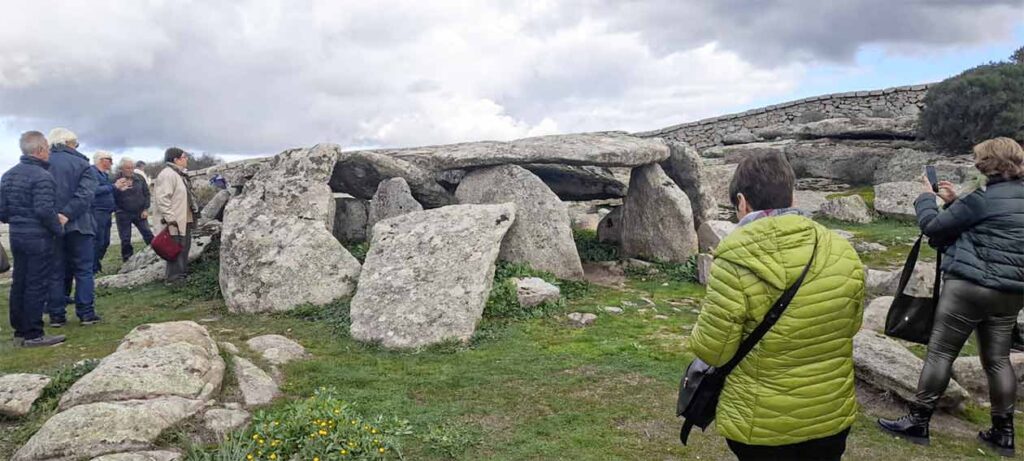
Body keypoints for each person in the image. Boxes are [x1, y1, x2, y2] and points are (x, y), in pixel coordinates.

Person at [688, 152, 865, 461]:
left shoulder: (734, 258)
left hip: (762, 426)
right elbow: (851, 325)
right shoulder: (840, 248)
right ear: (792, 194)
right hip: (830, 416)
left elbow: (713, 351)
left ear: (742, 202)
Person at [877, 137, 1024, 458]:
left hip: (968, 287)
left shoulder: (982, 198)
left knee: (941, 352)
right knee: (998, 360)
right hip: (1012, 293)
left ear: (986, 164)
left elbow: (933, 227)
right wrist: (958, 199)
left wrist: (925, 198)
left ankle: (918, 421)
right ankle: (1004, 433)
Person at [1, 131, 66, 347]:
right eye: (47, 148)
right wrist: (58, 229)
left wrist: (19, 219)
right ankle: (33, 334)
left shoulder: (8, 175)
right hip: (38, 236)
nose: (48, 152)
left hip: (17, 235)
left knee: (20, 282)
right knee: (36, 284)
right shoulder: (42, 176)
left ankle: (20, 331)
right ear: (39, 150)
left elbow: (2, 211)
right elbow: (44, 209)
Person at [46, 128, 101, 326]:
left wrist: (56, 216)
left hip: (51, 226)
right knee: (84, 271)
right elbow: (85, 195)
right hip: (80, 225)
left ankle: (56, 315)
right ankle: (86, 313)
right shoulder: (82, 163)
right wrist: (67, 214)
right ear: (70, 142)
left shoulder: (43, 164)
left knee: (56, 271)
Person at [154, 147, 198, 284]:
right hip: (175, 221)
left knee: (183, 248)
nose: (186, 159)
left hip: (184, 219)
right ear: (176, 159)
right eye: (184, 157)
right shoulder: (168, 175)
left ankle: (181, 276)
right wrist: (170, 219)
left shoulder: (178, 174)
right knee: (176, 250)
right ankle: (174, 279)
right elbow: (162, 199)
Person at [90, 150, 126, 273]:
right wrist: (113, 186)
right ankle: (93, 268)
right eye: (109, 159)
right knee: (98, 240)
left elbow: (107, 190)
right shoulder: (92, 172)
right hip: (97, 211)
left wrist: (118, 188)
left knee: (105, 241)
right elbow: (94, 190)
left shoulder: (104, 174)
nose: (112, 162)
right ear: (101, 160)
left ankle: (96, 264)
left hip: (107, 212)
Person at [113, 157, 153, 261]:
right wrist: (117, 188)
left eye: (132, 168)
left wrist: (145, 209)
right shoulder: (115, 180)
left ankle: (156, 253)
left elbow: (147, 194)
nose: (130, 170)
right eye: (127, 168)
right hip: (123, 213)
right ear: (121, 168)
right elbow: (110, 196)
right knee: (125, 239)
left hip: (140, 212)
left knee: (148, 233)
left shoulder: (139, 178)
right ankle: (127, 260)